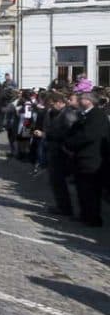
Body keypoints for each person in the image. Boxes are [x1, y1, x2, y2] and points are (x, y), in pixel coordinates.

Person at [64, 92, 107, 227]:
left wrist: (71, 143)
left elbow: (87, 135)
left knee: (91, 190)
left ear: (89, 101)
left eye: (81, 98)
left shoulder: (97, 115)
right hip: (81, 157)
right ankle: (84, 214)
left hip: (92, 158)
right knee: (82, 189)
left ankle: (93, 218)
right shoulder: (85, 114)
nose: (79, 100)